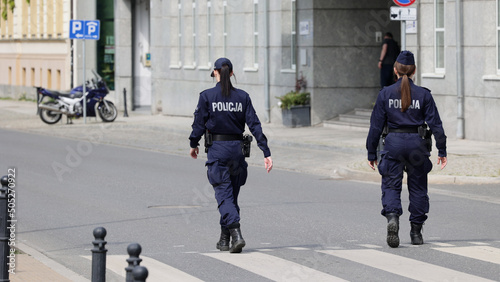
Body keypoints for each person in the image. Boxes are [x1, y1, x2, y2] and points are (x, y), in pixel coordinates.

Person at [189, 57, 273, 253]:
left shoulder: (207, 96)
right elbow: (255, 125)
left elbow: (198, 125)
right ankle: (224, 239)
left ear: (215, 72)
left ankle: (236, 234)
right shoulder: (242, 97)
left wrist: (193, 144)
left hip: (218, 151)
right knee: (230, 197)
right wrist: (266, 151)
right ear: (232, 73)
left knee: (224, 196)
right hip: (237, 151)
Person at [366, 51, 447, 248]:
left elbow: (375, 126)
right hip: (417, 146)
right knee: (418, 187)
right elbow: (436, 125)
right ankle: (416, 232)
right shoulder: (424, 95)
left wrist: (371, 152)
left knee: (391, 185)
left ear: (394, 70)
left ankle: (393, 218)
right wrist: (442, 150)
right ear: (414, 71)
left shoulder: (385, 94)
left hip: (392, 144)